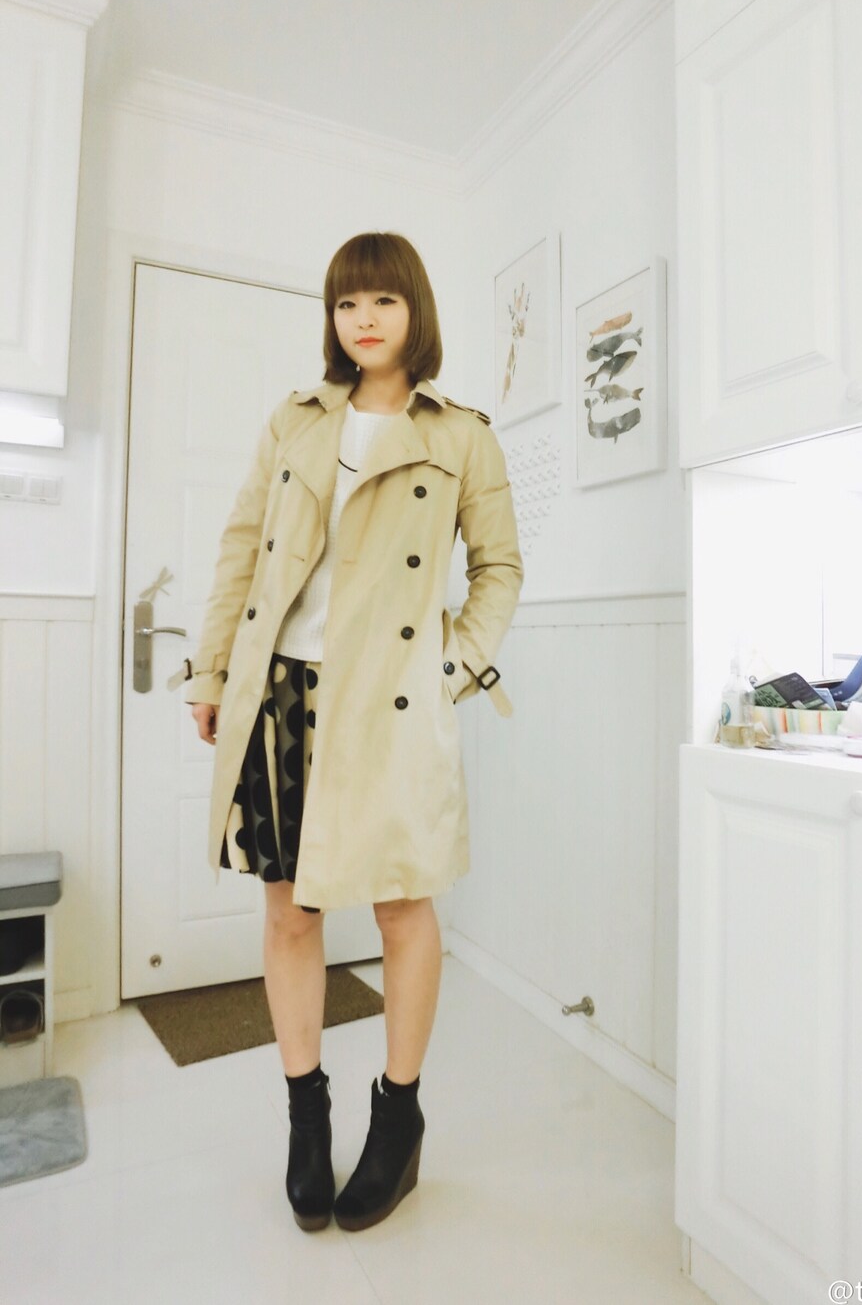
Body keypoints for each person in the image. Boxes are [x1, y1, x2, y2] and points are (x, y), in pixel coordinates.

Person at [180, 230, 524, 1233]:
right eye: (346, 303)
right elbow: (240, 548)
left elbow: (498, 568)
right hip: (281, 690)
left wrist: (447, 668)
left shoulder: (462, 435)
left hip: (390, 701)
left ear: (416, 309)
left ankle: (398, 1115)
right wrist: (211, 670)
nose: (364, 319)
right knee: (291, 911)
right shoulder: (295, 420)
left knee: (401, 907)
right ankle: (306, 1112)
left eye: (382, 299)